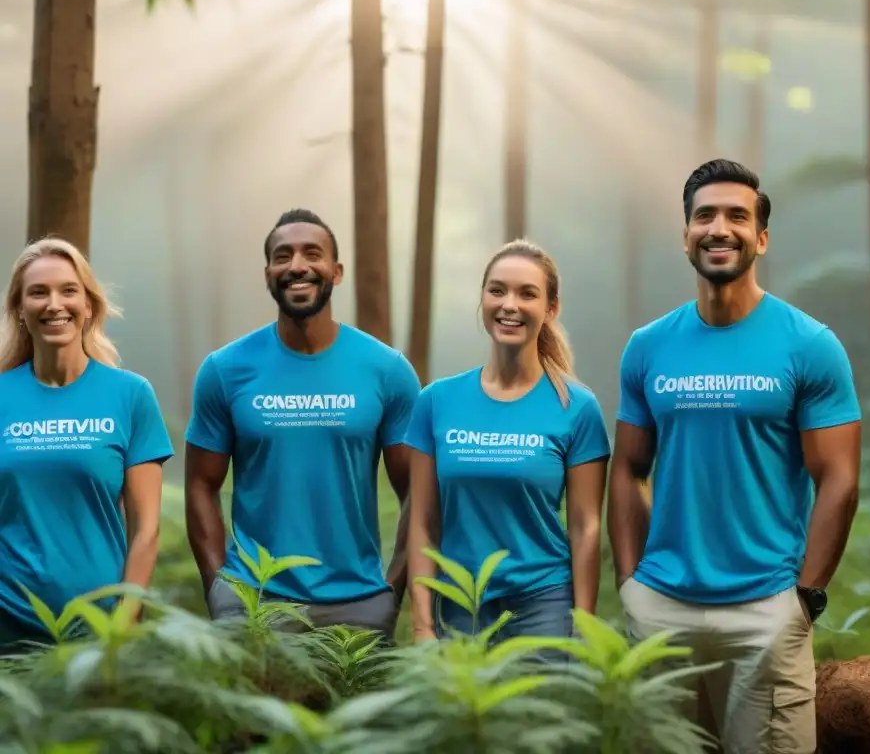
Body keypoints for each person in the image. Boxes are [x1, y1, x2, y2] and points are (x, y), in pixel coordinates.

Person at [607, 159, 862, 753]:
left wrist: (805, 598)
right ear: (686, 234)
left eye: (737, 216)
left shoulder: (810, 345)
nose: (719, 228)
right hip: (662, 610)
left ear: (761, 237)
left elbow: (840, 479)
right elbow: (627, 469)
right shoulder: (648, 347)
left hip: (765, 610)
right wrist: (630, 583)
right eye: (705, 216)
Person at [185, 208, 420, 640]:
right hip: (255, 607)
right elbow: (201, 484)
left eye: (312, 254)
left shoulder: (388, 370)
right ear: (268, 273)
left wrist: (393, 590)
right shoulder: (225, 370)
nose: (296, 266)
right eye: (282, 256)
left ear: (337, 270)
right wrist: (221, 590)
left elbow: (419, 492)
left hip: (360, 607)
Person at [404, 240, 610, 645]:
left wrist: (584, 625)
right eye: (497, 290)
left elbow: (586, 526)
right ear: (482, 299)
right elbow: (423, 524)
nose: (509, 305)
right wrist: (422, 625)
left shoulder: (577, 407)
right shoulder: (436, 401)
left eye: (527, 293)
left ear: (551, 309)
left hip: (543, 605)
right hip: (460, 604)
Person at [0, 237, 173, 654]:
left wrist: (124, 623)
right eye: (38, 292)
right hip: (6, 631)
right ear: (20, 310)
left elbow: (145, 529)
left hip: (98, 631)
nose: (54, 303)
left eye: (68, 290)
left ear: (89, 305)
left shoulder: (130, 395)